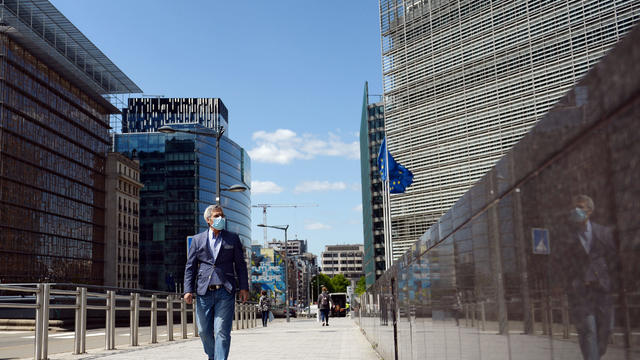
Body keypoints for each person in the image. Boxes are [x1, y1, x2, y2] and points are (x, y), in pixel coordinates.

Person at [554, 195, 618, 360]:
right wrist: (564, 284)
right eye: (574, 207)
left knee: (606, 329)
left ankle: (596, 354)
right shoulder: (567, 236)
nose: (576, 210)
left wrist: (614, 283)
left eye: (580, 207)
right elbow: (561, 263)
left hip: (602, 290)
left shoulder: (603, 232)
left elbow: (614, 259)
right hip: (581, 292)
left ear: (589, 211)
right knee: (588, 330)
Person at [183, 205, 249, 360]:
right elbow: (190, 267)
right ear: (208, 220)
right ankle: (213, 356)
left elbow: (240, 265)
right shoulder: (198, 240)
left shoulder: (232, 238)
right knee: (203, 331)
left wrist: (244, 287)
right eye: (217, 216)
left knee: (221, 331)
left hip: (225, 291)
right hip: (203, 292)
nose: (221, 219)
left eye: (222, 216)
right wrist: (188, 290)